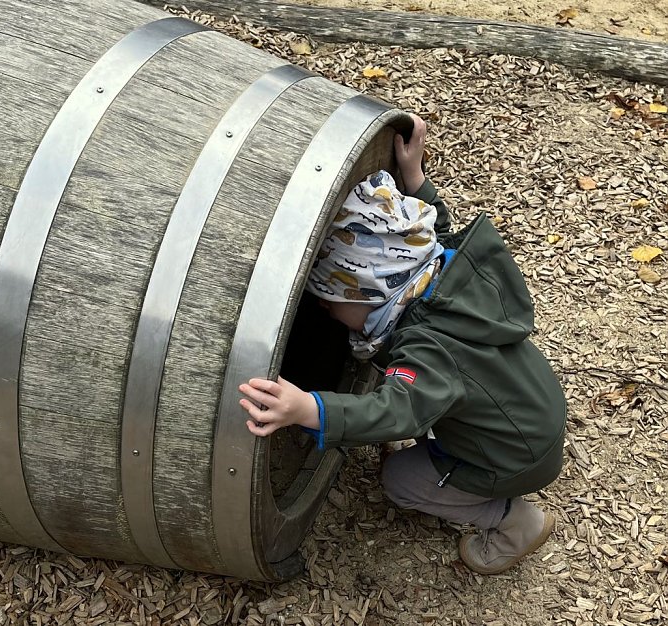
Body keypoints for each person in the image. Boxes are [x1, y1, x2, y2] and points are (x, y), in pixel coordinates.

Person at [238, 114, 566, 575]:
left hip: (510, 459)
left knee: (400, 480)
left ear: (370, 291)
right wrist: (415, 181)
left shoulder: (427, 348)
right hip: (532, 412)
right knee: (448, 403)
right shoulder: (449, 278)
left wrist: (307, 409)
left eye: (331, 300)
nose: (328, 312)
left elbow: (396, 411)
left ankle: (513, 519)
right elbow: (437, 235)